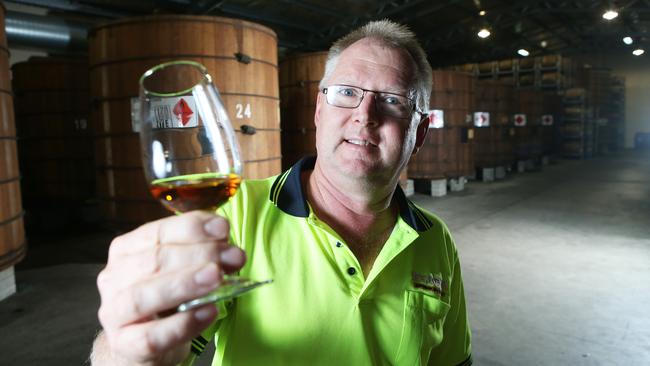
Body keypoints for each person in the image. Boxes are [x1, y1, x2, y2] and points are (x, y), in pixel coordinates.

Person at [91, 19, 472, 365]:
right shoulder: (236, 215)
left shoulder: (436, 240)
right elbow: (158, 345)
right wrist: (127, 347)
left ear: (419, 133)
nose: (365, 114)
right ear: (319, 110)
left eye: (392, 100)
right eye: (345, 92)